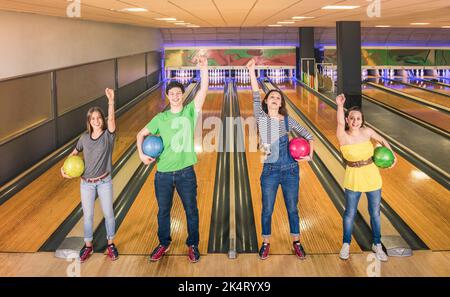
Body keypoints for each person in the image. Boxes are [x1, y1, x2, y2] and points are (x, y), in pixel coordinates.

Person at [136, 57, 208, 263]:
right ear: (167, 96)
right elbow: (140, 134)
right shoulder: (161, 118)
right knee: (163, 212)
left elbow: (203, 90)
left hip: (186, 172)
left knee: (191, 211)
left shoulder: (190, 112)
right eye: (172, 93)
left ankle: (192, 244)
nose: (175, 96)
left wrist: (204, 68)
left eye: (178, 93)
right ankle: (163, 243)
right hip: (163, 174)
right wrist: (141, 154)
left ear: (182, 95)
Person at [246, 58, 314, 260]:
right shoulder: (261, 116)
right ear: (267, 102)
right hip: (270, 171)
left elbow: (308, 136)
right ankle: (266, 242)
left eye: (278, 97)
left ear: (281, 103)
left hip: (291, 170)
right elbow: (255, 93)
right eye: (272, 97)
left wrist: (310, 154)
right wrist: (252, 71)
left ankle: (297, 242)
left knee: (293, 209)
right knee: (267, 210)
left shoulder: (287, 120)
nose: (275, 99)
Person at [335, 94, 396, 262]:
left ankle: (376, 243)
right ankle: (346, 244)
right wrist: (340, 106)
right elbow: (339, 122)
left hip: (372, 177)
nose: (355, 121)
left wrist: (393, 157)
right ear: (347, 120)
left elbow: (383, 140)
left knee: (375, 213)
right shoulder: (343, 136)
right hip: (353, 178)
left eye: (358, 118)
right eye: (352, 118)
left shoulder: (367, 132)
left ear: (362, 120)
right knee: (350, 213)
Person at [61, 88, 119, 263]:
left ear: (103, 119)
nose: (96, 121)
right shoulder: (84, 138)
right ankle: (88, 246)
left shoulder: (108, 136)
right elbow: (73, 155)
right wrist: (64, 170)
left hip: (104, 181)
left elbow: (112, 120)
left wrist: (110, 101)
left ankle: (110, 244)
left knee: (108, 213)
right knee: (88, 216)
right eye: (92, 118)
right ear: (89, 121)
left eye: (98, 118)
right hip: (86, 183)